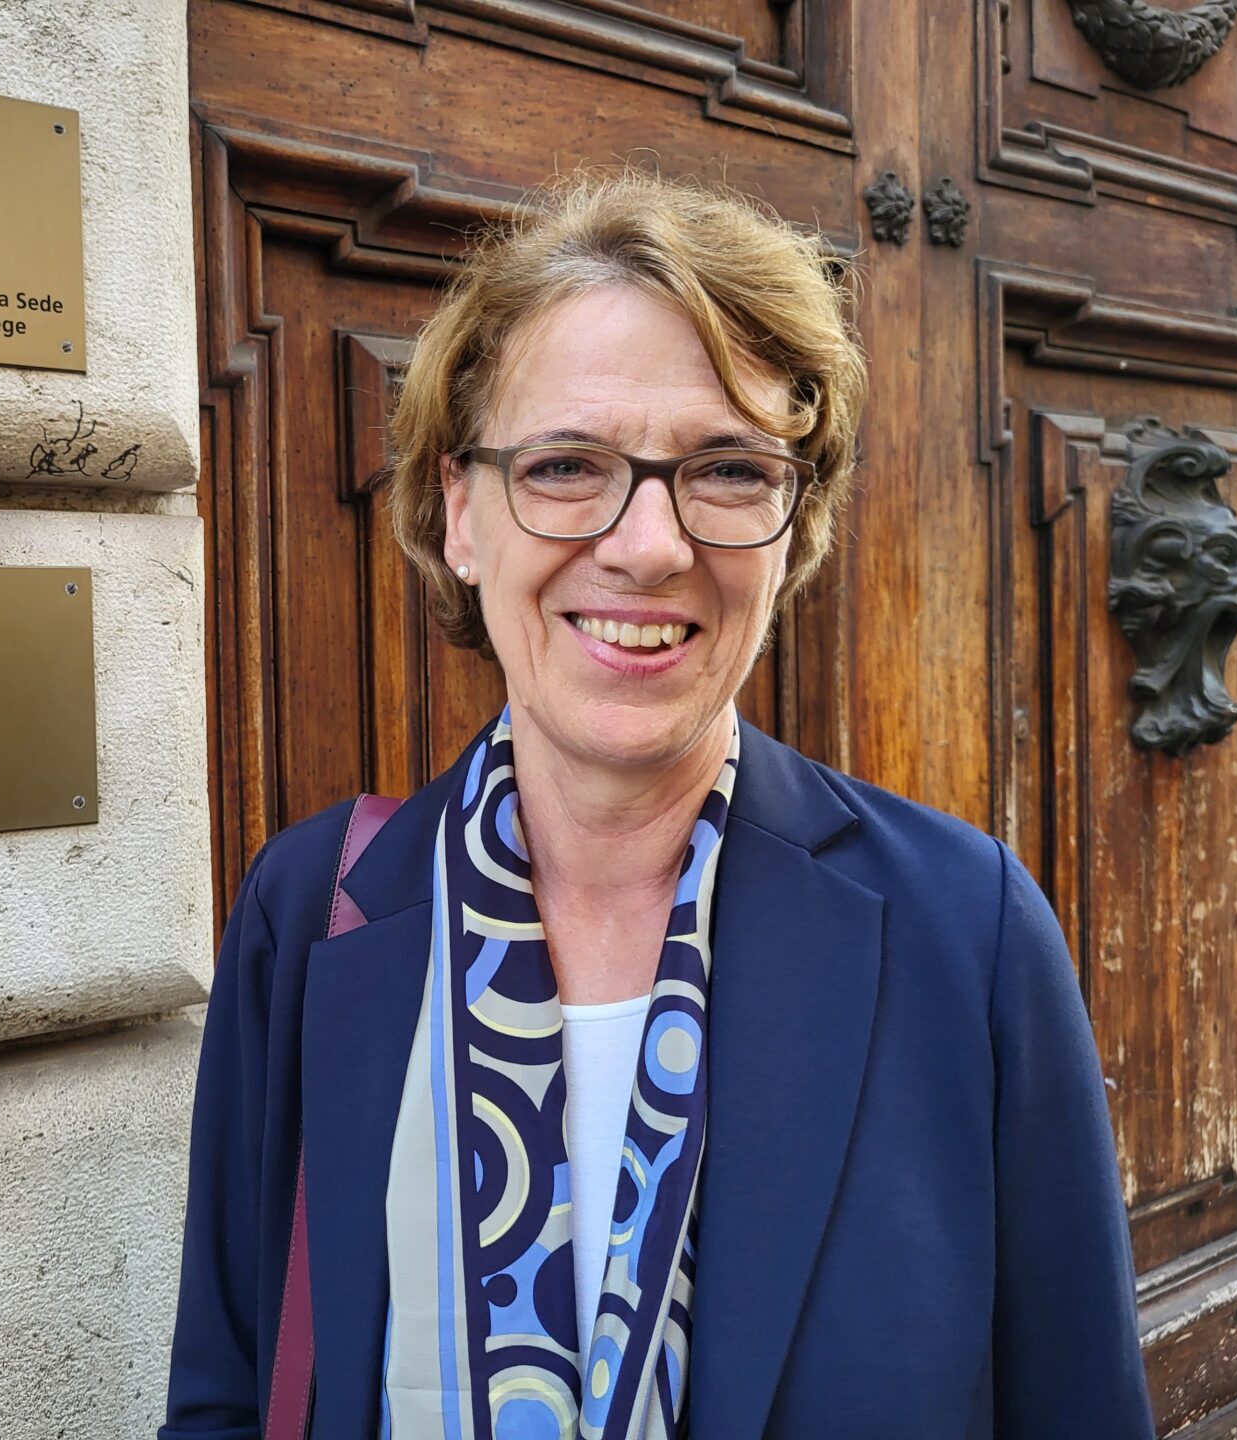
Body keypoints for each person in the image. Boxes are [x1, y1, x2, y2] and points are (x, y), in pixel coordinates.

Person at [159, 169, 1153, 1439]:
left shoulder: (968, 930)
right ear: (461, 513)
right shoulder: (315, 914)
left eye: (728, 470)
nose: (649, 545)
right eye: (568, 463)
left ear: (794, 530)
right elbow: (228, 1397)